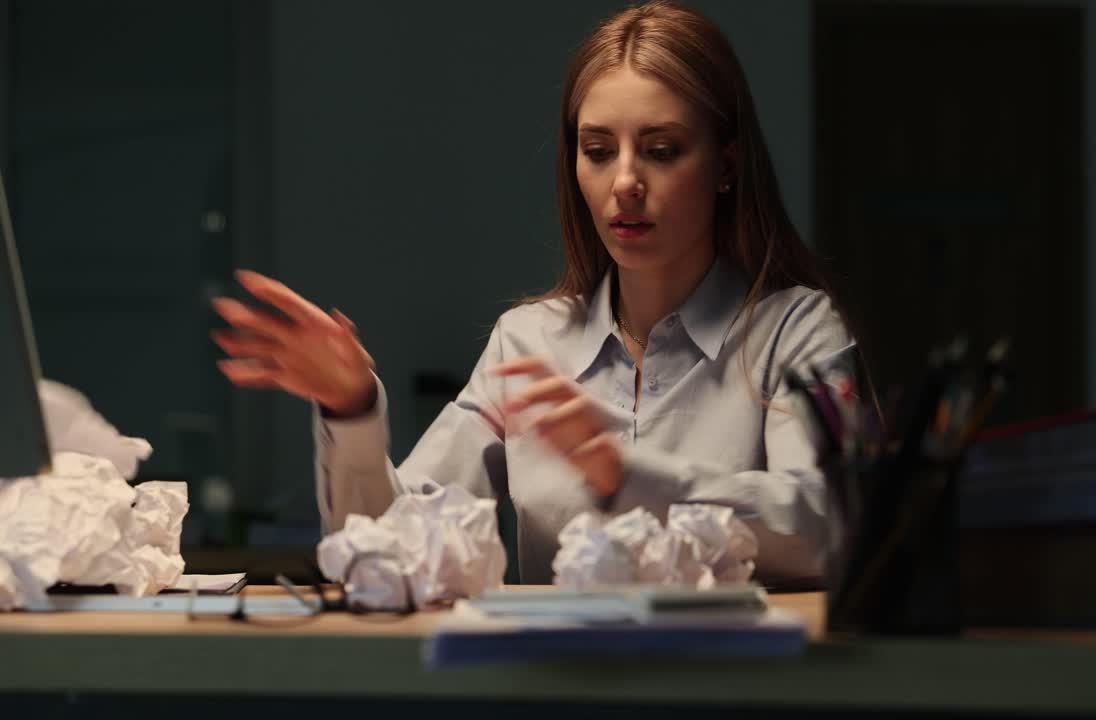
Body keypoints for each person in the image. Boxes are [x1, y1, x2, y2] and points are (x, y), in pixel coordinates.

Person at [212, 0, 855, 585]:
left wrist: (627, 476)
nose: (625, 181)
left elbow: (834, 529)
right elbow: (389, 554)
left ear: (726, 168)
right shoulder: (528, 342)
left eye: (661, 150)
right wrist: (351, 411)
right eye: (597, 150)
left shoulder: (795, 333)